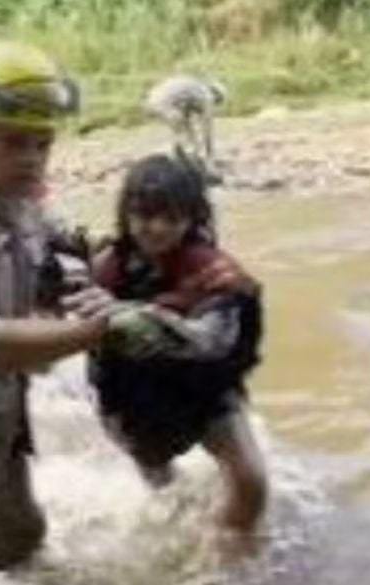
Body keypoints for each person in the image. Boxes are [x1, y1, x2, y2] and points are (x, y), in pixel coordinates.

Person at [0, 41, 153, 585]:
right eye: (14, 143)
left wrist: (150, 267)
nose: (32, 158)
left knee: (22, 549)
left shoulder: (23, 203)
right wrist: (98, 328)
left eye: (43, 144)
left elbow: (81, 253)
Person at [88, 154, 267, 538]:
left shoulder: (212, 269)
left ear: (192, 219)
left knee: (251, 481)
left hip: (204, 387)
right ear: (126, 214)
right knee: (165, 491)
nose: (157, 228)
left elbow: (214, 342)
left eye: (172, 218)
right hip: (132, 397)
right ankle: (181, 541)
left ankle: (229, 554)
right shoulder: (106, 266)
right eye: (145, 216)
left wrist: (137, 317)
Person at [144, 75, 226, 184]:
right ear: (216, 96)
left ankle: (183, 161)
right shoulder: (206, 96)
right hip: (165, 103)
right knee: (185, 139)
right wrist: (210, 157)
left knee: (184, 134)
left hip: (153, 100)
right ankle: (184, 166)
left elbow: (188, 121)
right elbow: (207, 131)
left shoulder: (195, 89)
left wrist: (195, 142)